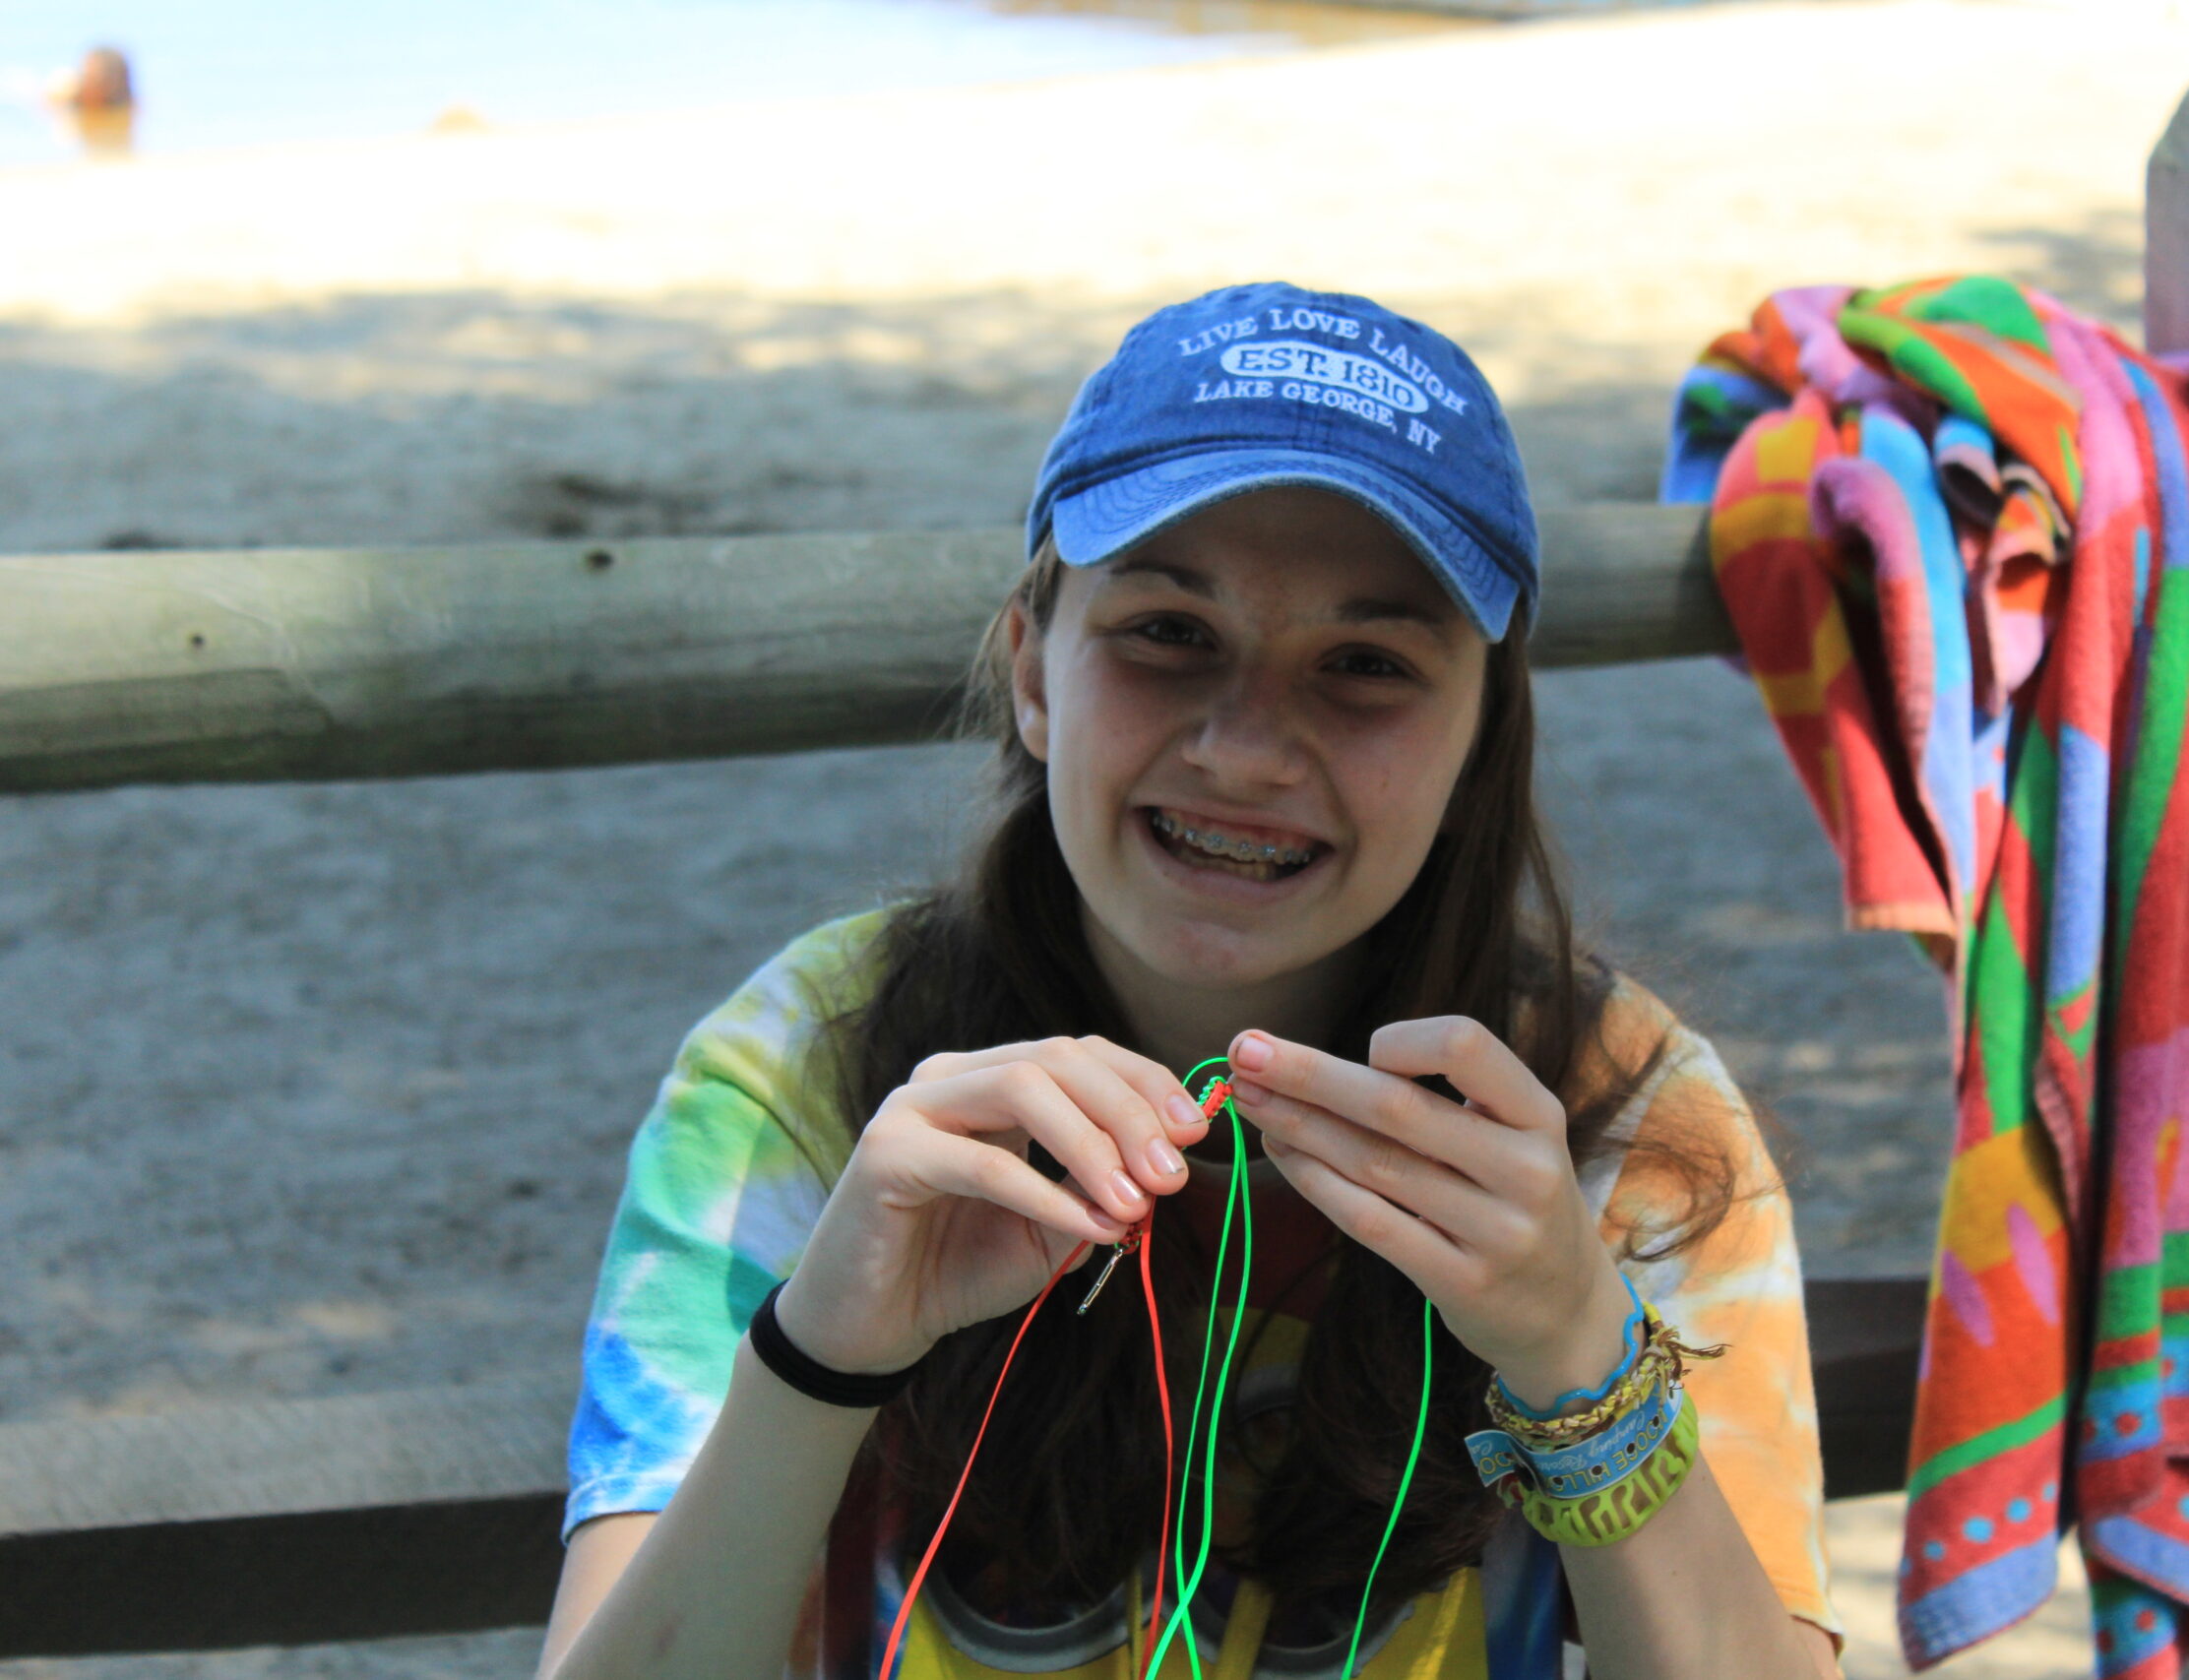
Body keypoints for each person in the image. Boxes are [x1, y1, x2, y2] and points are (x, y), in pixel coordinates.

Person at [536, 281, 1845, 1680]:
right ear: (1032, 670)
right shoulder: (803, 1072)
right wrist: (822, 1356)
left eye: (1366, 662)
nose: (1247, 747)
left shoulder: (1622, 1119)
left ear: (1482, 738)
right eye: (1168, 631)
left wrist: (1577, 1342)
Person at [45, 46, 134, 157]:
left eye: (94, 78)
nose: (88, 83)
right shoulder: (70, 95)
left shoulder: (125, 108)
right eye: (86, 75)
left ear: (113, 85)